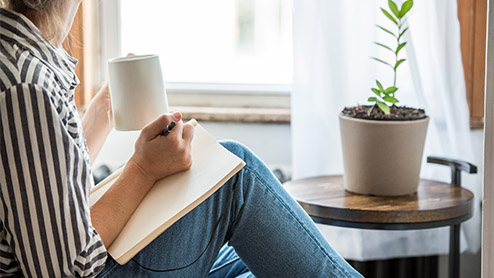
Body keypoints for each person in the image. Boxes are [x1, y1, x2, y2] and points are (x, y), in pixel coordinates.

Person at [0, 0, 363, 277]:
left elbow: (45, 193)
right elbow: (67, 268)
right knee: (237, 172)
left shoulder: (20, 58)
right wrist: (142, 169)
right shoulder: (25, 85)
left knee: (251, 256)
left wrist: (102, 111)